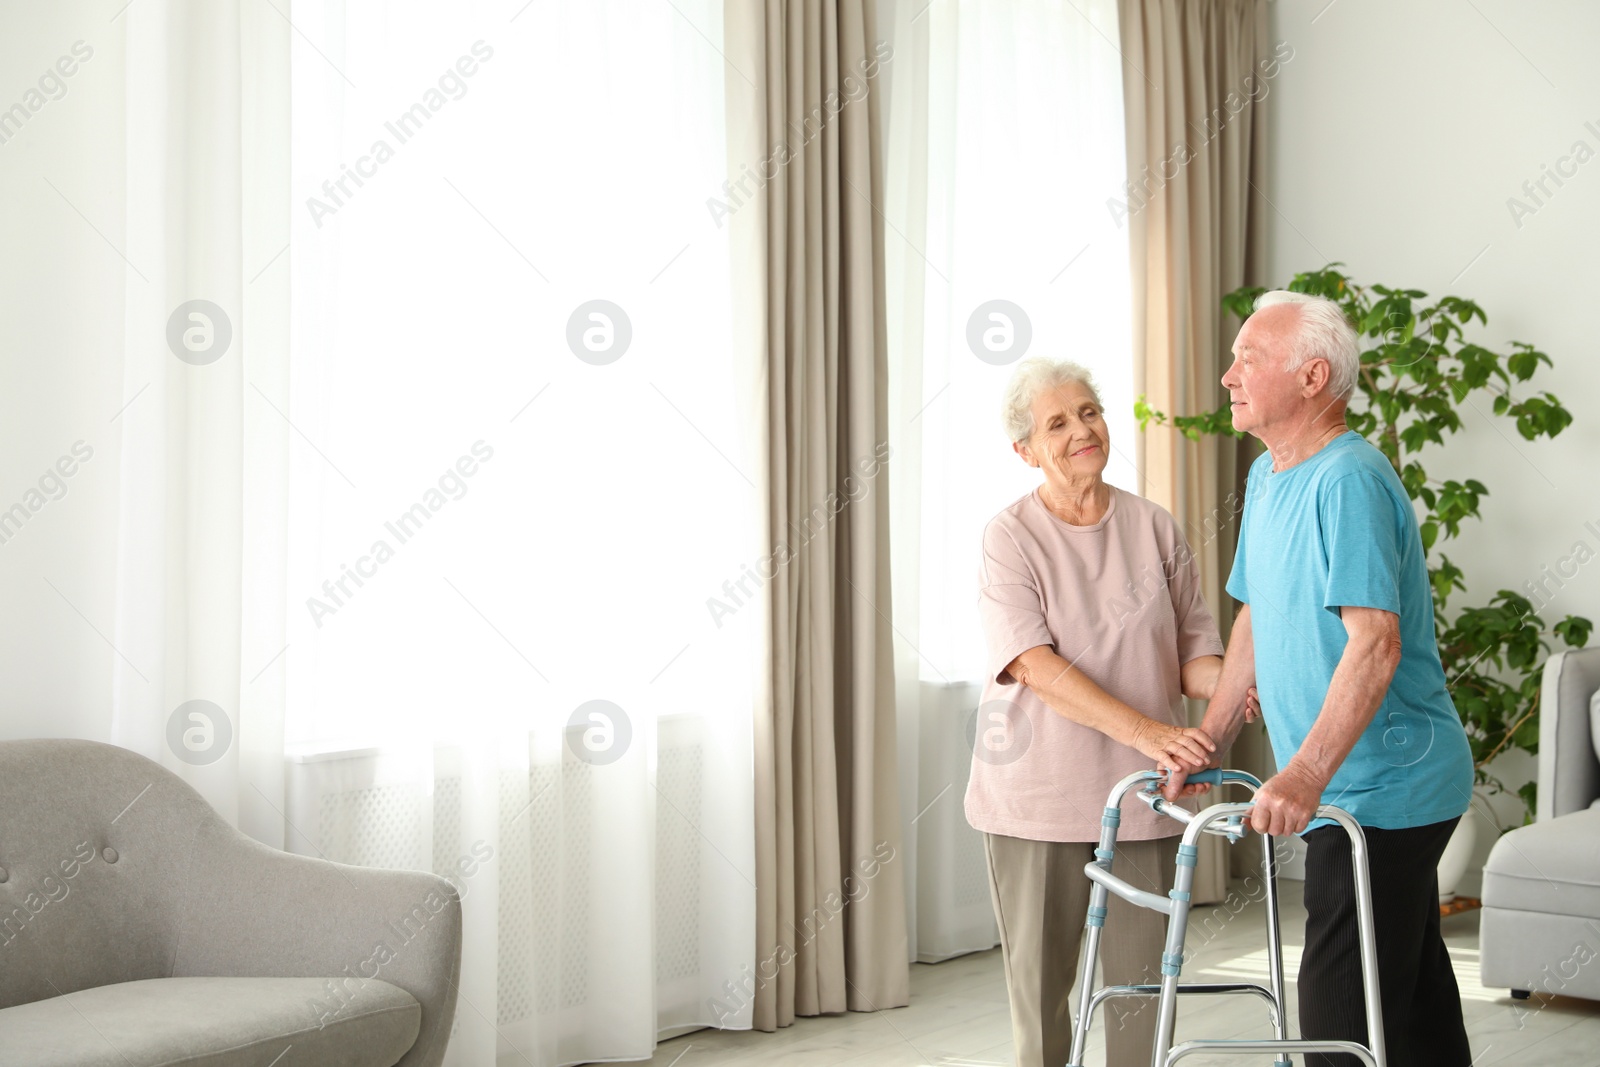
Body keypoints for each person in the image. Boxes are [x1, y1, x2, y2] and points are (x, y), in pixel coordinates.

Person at [1167, 290, 1475, 1066]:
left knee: (1337, 1020)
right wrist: (1211, 735)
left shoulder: (1349, 480)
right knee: (1409, 996)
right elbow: (1253, 618)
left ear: (1312, 377)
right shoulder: (1272, 477)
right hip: (1348, 785)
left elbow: (1375, 645)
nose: (1229, 374)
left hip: (1385, 789)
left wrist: (1302, 773)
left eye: (1250, 358)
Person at [967, 357, 1256, 1067]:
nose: (1080, 430)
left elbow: (1194, 651)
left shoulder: (1154, 527)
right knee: (1041, 1006)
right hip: (1037, 800)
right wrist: (1149, 730)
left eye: (1089, 411)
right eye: (1056, 423)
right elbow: (1034, 664)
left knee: (1140, 1000)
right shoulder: (1009, 537)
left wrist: (1236, 686)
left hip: (1143, 796)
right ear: (1026, 451)